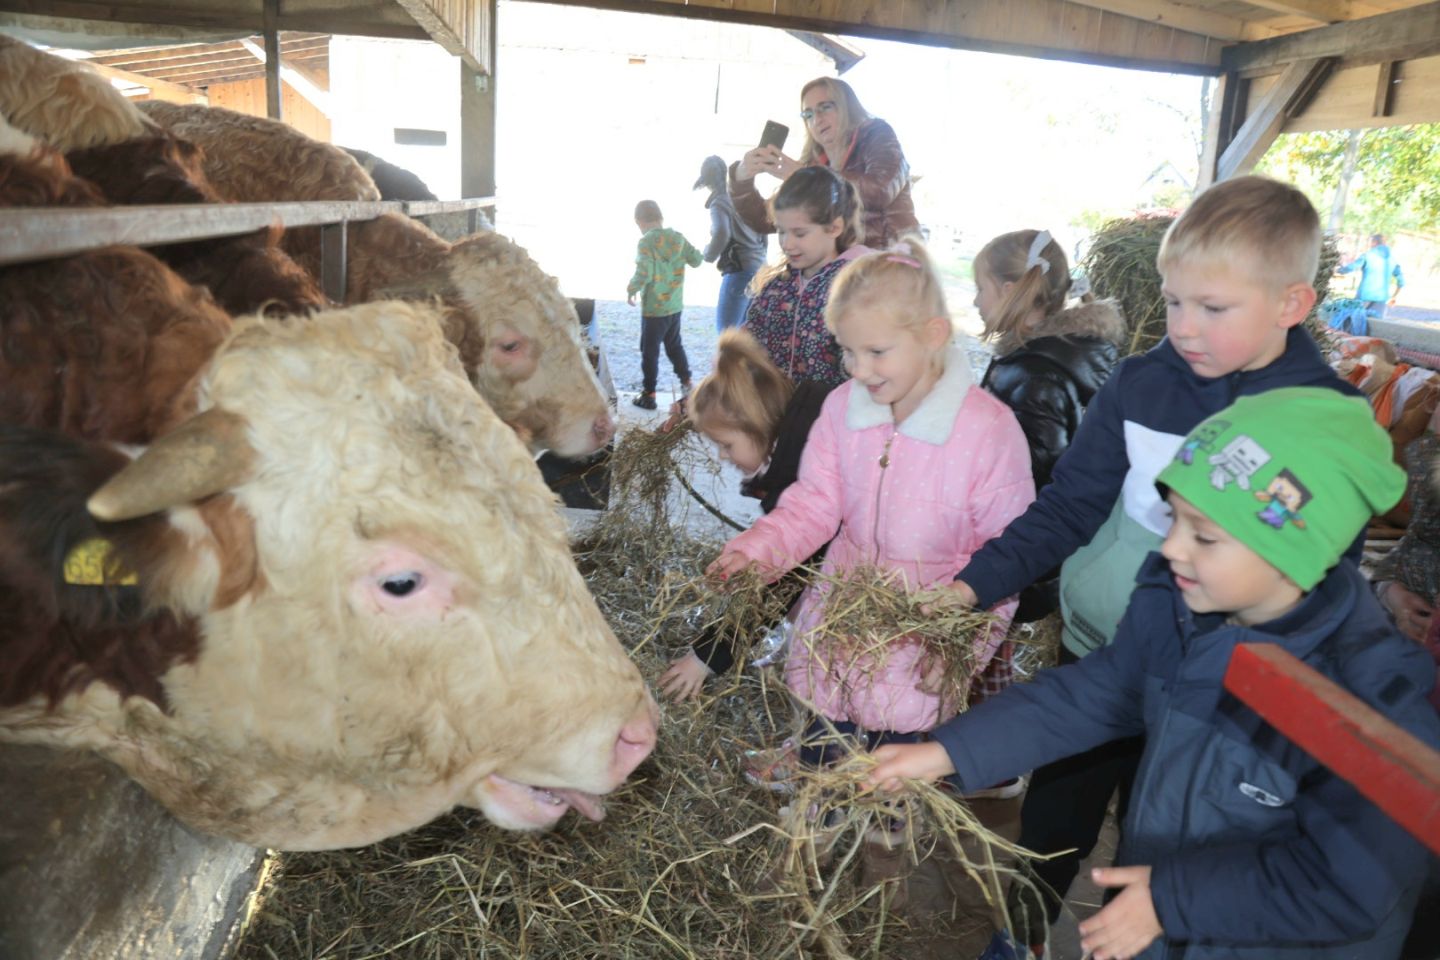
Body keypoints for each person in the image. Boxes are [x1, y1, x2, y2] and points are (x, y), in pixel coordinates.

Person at [869, 388, 1440, 960]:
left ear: (1296, 552)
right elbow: (1096, 694)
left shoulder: (1367, 704)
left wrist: (1172, 900)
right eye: (1174, 520)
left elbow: (1350, 884)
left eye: (1205, 535)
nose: (1172, 549)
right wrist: (948, 752)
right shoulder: (1180, 610)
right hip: (1162, 918)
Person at [942, 176, 1365, 943]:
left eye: (1213, 308)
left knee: (1164, 841)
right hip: (1104, 648)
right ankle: (1019, 936)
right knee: (1052, 822)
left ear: (1290, 305)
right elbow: (1068, 506)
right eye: (1172, 302)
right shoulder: (1141, 384)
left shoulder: (1322, 421)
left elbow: (1322, 582)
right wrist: (972, 586)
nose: (1185, 328)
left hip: (1217, 686)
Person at [707, 235, 1034, 784]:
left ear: (932, 336)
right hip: (838, 629)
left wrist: (960, 648)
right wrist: (756, 551)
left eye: (876, 352)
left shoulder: (987, 431)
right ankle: (814, 841)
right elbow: (813, 501)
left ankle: (883, 857)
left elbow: (1007, 556)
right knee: (822, 765)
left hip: (922, 638)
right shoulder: (843, 409)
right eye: (847, 351)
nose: (858, 369)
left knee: (891, 784)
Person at [658, 329, 836, 701]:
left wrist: (706, 658)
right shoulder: (795, 442)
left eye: (727, 445)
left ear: (756, 425)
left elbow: (779, 589)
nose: (724, 457)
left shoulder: (800, 477)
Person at [974, 227, 1125, 623]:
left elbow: (1031, 477)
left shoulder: (1036, 375)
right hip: (1020, 555)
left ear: (1009, 290)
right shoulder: (1044, 358)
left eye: (981, 289)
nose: (975, 301)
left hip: (1014, 557)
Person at [730, 76, 918, 250]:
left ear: (847, 107)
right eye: (808, 114)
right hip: (838, 270)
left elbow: (880, 190)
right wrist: (741, 178)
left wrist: (808, 178)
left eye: (825, 107)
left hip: (888, 264)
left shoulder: (877, 134)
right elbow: (766, 221)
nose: (817, 119)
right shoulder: (812, 163)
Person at [742, 165, 868, 388]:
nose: (786, 244)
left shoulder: (856, 290)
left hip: (831, 417)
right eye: (781, 231)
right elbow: (746, 348)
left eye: (799, 233)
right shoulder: (775, 289)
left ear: (834, 227)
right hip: (774, 417)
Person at [626, 199, 701, 410]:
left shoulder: (646, 242)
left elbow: (644, 272)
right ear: (660, 217)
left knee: (649, 351)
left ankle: (649, 394)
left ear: (638, 221)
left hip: (654, 309)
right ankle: (688, 384)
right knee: (674, 346)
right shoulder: (678, 238)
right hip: (675, 306)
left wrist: (632, 289)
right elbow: (696, 260)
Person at [695, 155, 766, 332]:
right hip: (760, 269)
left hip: (739, 271)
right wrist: (760, 256)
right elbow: (764, 228)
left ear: (706, 181)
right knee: (747, 332)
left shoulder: (718, 202)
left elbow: (722, 232)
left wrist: (709, 254)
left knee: (726, 334)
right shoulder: (743, 195)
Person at [1338, 232, 1405, 319]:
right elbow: (1401, 282)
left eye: (1370, 243)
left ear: (1374, 243)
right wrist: (1394, 297)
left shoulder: (1367, 256)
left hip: (1364, 296)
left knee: (1352, 321)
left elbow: (1351, 267)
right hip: (1382, 298)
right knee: (1375, 326)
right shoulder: (1393, 260)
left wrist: (1339, 270)